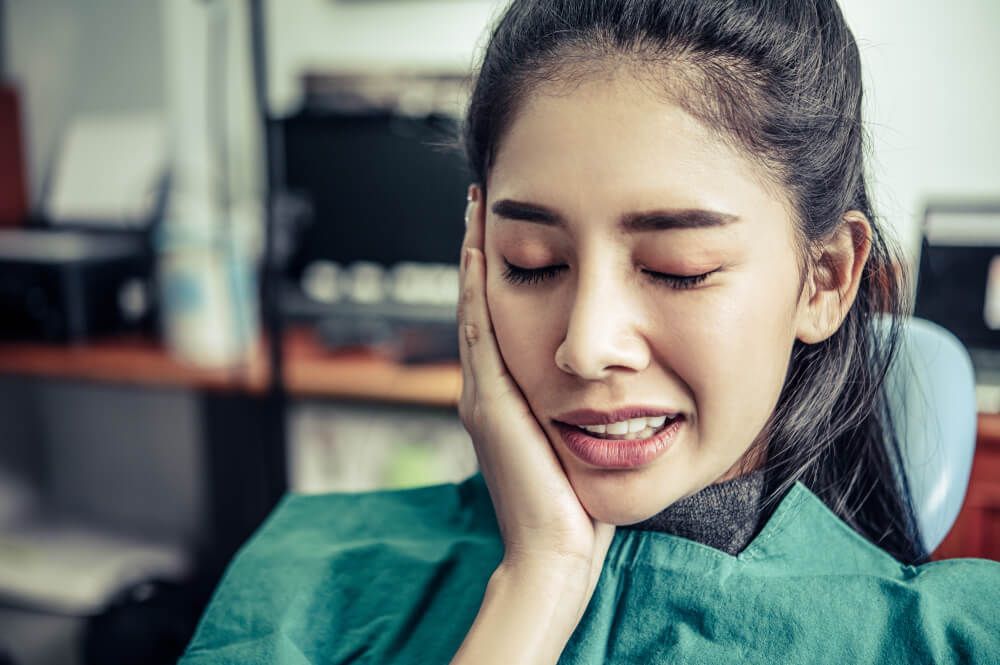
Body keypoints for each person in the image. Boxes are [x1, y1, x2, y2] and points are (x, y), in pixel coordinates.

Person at [181, 1, 1000, 663]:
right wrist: (537, 583)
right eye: (531, 261)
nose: (585, 344)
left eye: (678, 266)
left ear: (823, 278)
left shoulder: (955, 638)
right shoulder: (308, 577)